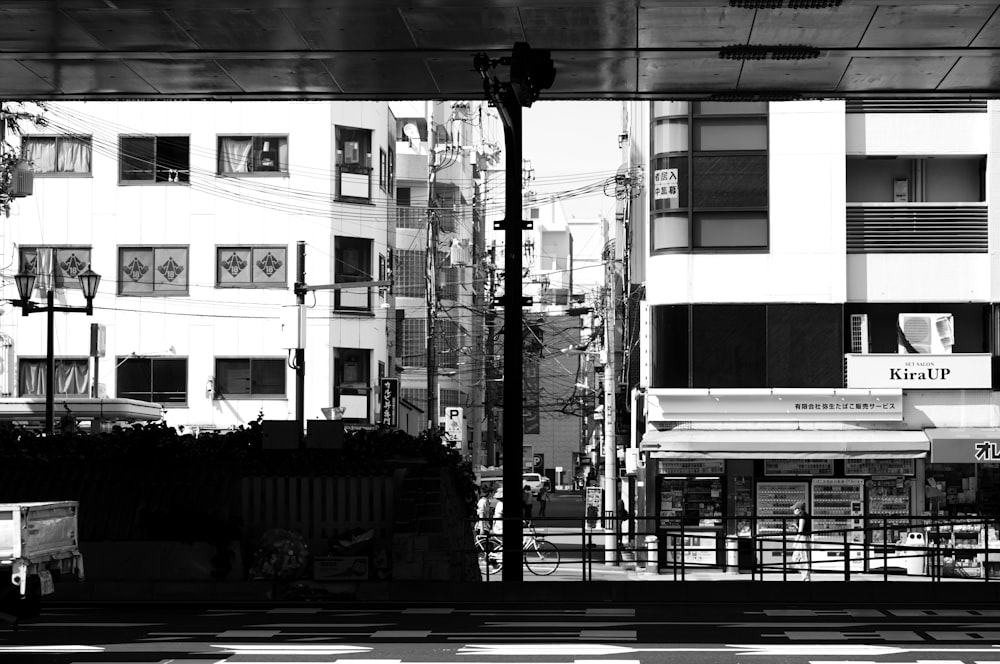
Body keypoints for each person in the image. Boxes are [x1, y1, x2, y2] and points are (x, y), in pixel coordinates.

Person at [791, 500, 812, 581]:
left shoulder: (802, 516)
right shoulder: (804, 515)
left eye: (795, 509)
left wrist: (795, 542)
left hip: (803, 538)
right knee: (796, 558)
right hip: (805, 538)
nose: (793, 511)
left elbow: (800, 531)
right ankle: (805, 575)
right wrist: (796, 526)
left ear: (799, 509)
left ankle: (806, 577)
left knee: (803, 558)